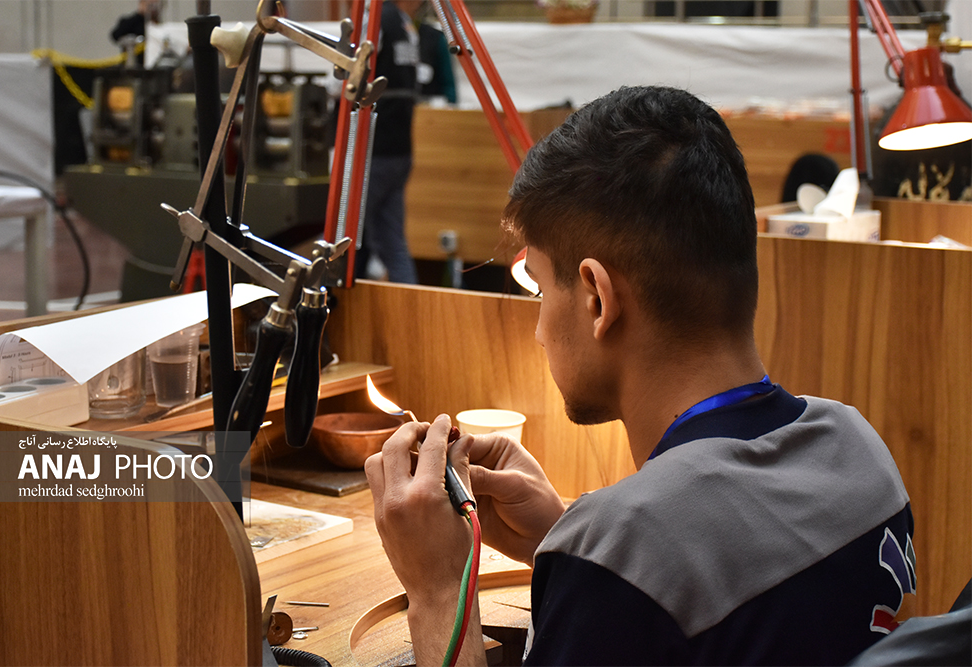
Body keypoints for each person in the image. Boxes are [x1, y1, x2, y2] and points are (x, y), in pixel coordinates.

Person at [365, 86, 916, 666]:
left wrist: (438, 590)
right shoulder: (860, 450)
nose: (540, 331)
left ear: (598, 299)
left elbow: (657, 577)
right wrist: (565, 535)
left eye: (542, 290)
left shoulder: (624, 563)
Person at [354, 0, 423, 284]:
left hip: (372, 148)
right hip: (399, 149)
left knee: (344, 235)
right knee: (393, 243)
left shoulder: (374, 21)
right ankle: (412, 307)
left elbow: (348, 78)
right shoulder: (406, 26)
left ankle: (334, 304)